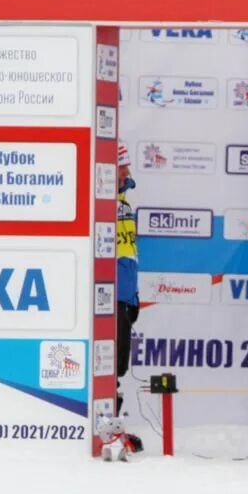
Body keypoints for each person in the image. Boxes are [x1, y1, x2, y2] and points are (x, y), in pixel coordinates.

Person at [115, 141, 140, 415]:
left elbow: (129, 251)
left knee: (119, 365)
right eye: (123, 167)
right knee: (112, 365)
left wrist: (133, 295)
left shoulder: (124, 202)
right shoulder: (97, 204)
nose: (127, 172)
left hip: (125, 295)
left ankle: (113, 419)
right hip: (109, 299)